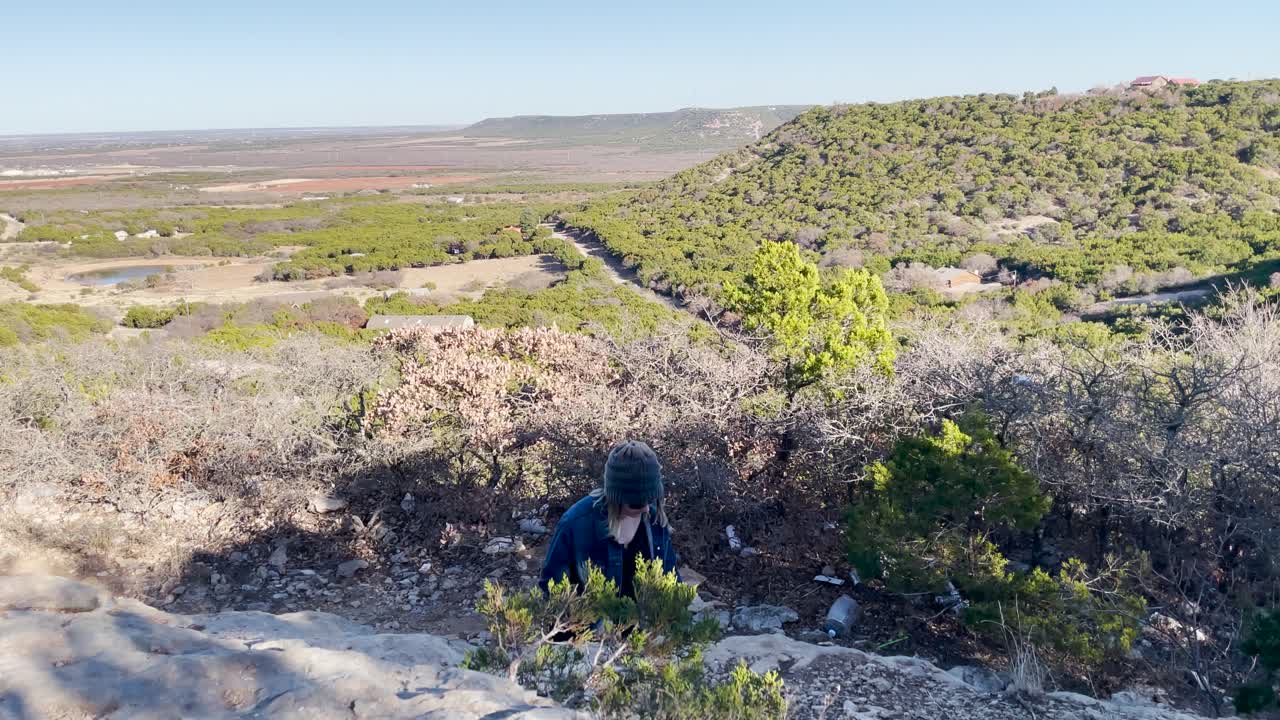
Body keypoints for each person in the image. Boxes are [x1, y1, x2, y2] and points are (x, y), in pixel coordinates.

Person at [540, 440, 681, 597]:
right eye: (637, 503)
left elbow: (673, 585)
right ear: (616, 497)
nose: (646, 508)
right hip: (592, 619)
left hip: (645, 619)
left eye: (650, 500)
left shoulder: (655, 521)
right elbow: (552, 590)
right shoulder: (576, 524)